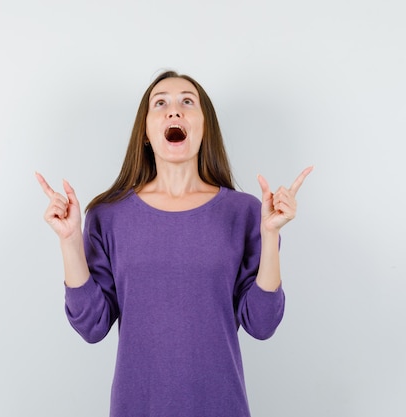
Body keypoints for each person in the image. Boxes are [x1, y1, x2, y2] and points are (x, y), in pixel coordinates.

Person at [36, 70, 312, 417]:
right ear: (147, 133)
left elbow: (262, 323)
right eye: (161, 103)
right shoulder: (109, 215)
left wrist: (271, 234)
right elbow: (92, 325)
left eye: (187, 101)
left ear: (204, 127)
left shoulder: (243, 213)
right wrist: (70, 241)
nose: (174, 110)